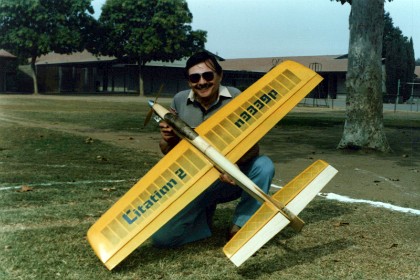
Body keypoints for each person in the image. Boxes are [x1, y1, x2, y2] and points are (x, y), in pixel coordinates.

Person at [151, 51, 275, 248]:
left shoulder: (236, 97)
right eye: (194, 77)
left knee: (264, 165)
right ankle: (203, 220)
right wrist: (168, 138)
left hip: (231, 179)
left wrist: (231, 164)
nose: (201, 82)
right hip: (195, 182)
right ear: (189, 82)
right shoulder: (179, 100)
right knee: (162, 239)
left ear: (219, 76)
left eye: (208, 75)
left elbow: (254, 147)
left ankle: (240, 225)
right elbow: (167, 150)